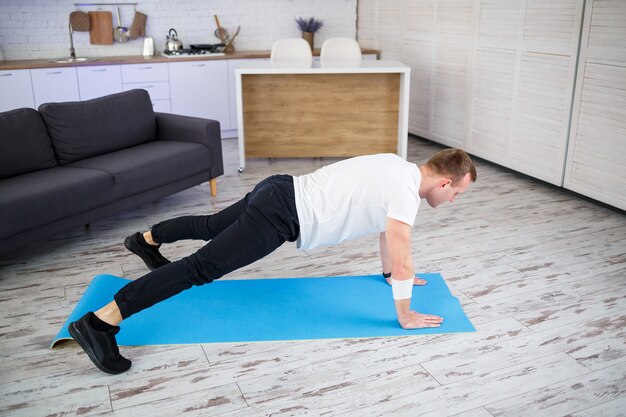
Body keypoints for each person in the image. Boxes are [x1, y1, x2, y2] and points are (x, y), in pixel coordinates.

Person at [69, 149, 477, 374]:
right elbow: (405, 254)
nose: (453, 200)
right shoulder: (406, 196)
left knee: (212, 226)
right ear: (444, 182)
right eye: (457, 193)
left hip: (279, 189)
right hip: (281, 215)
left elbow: (390, 239)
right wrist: (404, 314)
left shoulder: (397, 165)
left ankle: (145, 240)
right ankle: (101, 322)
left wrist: (388, 274)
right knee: (200, 268)